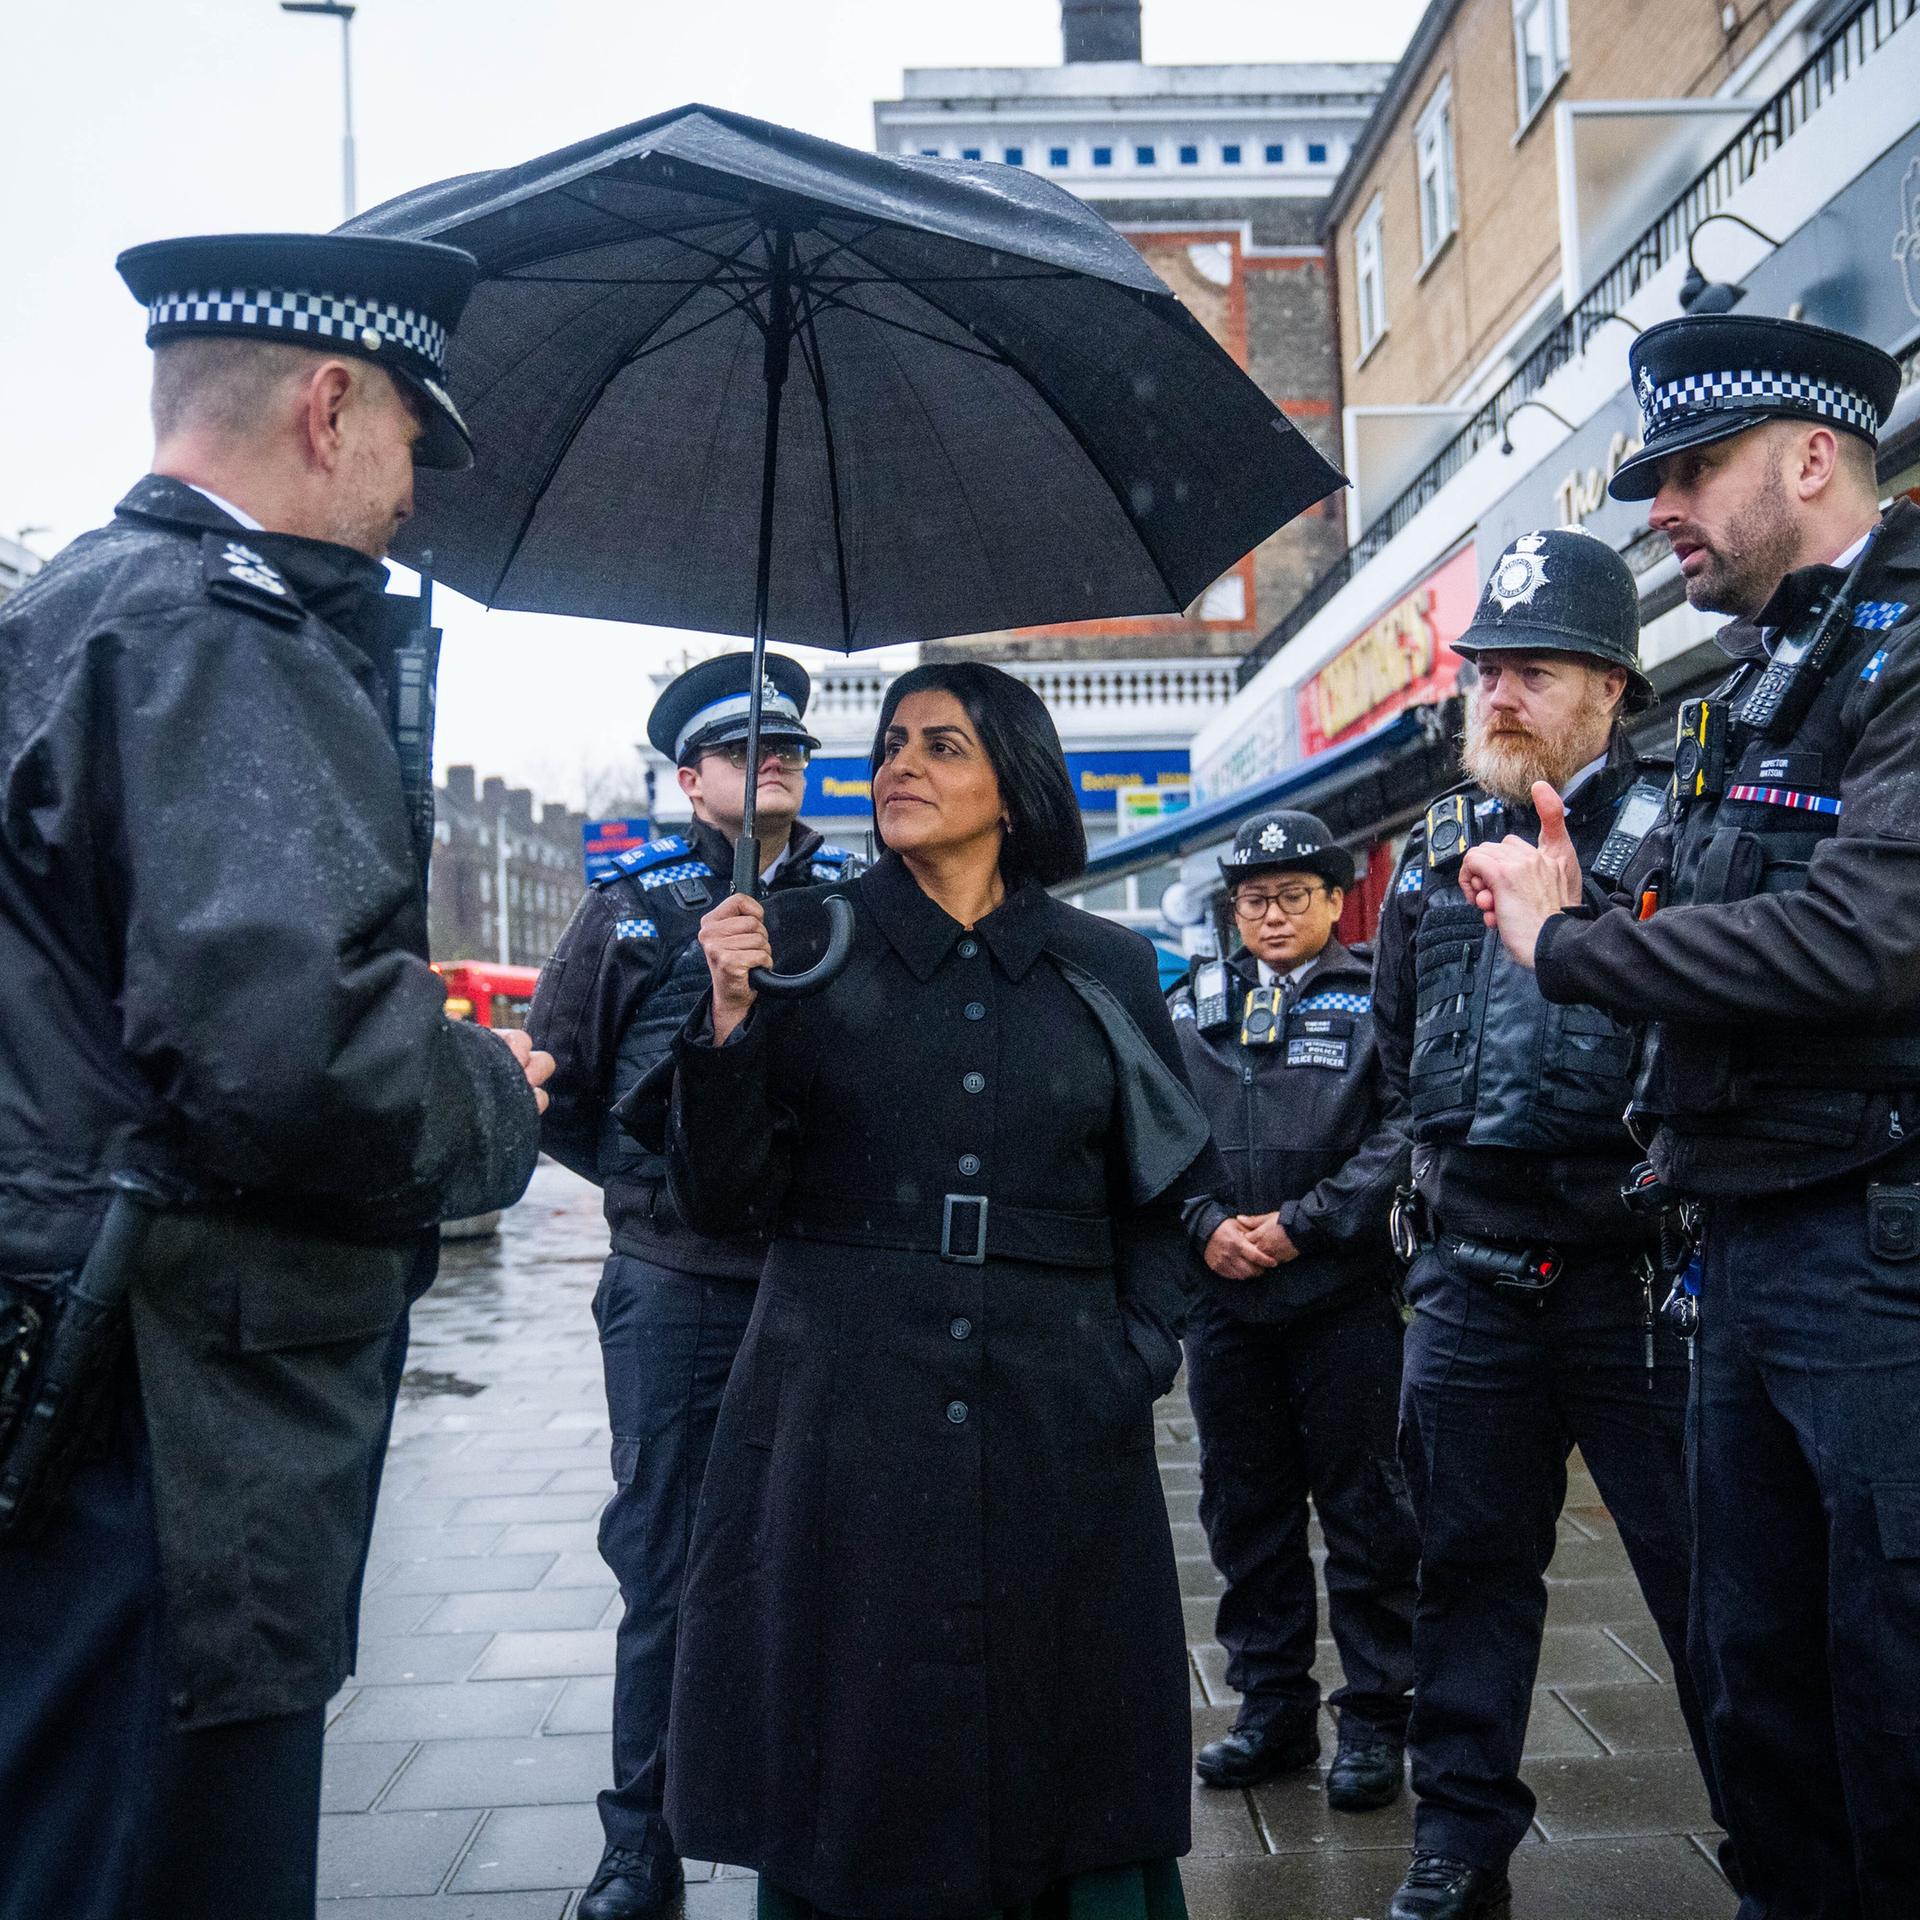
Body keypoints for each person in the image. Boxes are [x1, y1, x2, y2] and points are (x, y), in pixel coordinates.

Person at [0, 233, 550, 1920]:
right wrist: (491, 1090)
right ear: (329, 407)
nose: (409, 499)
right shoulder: (221, 639)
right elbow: (294, 1056)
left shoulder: (64, 616)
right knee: (165, 1862)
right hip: (175, 1412)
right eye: (406, 444)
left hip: (74, 1365)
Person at [1459, 315, 1917, 1920]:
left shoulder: (1908, 642)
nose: (1659, 505)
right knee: (1756, 1682)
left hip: (1877, 1249)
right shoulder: (1771, 672)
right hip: (1748, 1236)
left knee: (1889, 1681)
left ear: (1810, 458)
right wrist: (1612, 912)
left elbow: (1873, 938)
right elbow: (1729, 938)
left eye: (1693, 470)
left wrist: (1578, 942)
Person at [653, 660, 1215, 1920]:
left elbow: (1168, 1192)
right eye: (893, 741)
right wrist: (729, 1019)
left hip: (1060, 1411)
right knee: (853, 1741)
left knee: (1063, 1741)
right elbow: (720, 1199)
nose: (898, 763)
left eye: (942, 745)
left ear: (1012, 788)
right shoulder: (796, 940)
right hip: (840, 1412)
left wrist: (1136, 1355)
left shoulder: (1106, 963)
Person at [1371, 528, 1717, 1920]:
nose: (1498, 697)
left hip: (1635, 1282)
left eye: (1531, 672)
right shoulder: (1436, 844)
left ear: (1613, 686)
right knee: (1463, 1570)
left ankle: (1783, 1833)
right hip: (1471, 1273)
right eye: (1487, 674)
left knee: (1713, 1580)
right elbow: (1396, 1050)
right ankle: (1458, 1844)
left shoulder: (1686, 827)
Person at [529, 651, 862, 1920]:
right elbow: (559, 1092)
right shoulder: (634, 912)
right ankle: (641, 1842)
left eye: (792, 747)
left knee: (825, 1559)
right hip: (673, 1288)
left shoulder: (862, 898)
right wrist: (658, 1183)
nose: (778, 760)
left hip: (823, 1276)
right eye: (747, 750)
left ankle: (814, 1830)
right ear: (691, 779)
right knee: (663, 1565)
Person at [1167, 809, 1417, 1809]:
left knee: (1366, 1514)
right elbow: (1152, 1131)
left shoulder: (1372, 1003)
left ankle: (1375, 1723)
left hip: (1342, 1296)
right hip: (1223, 1306)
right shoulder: (1189, 1007)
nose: (1273, 915)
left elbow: (1405, 1124)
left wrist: (1307, 1223)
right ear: (1235, 911)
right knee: (1246, 1517)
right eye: (1255, 900)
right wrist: (1202, 1225)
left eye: (1294, 897)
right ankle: (1271, 1712)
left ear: (1331, 902)